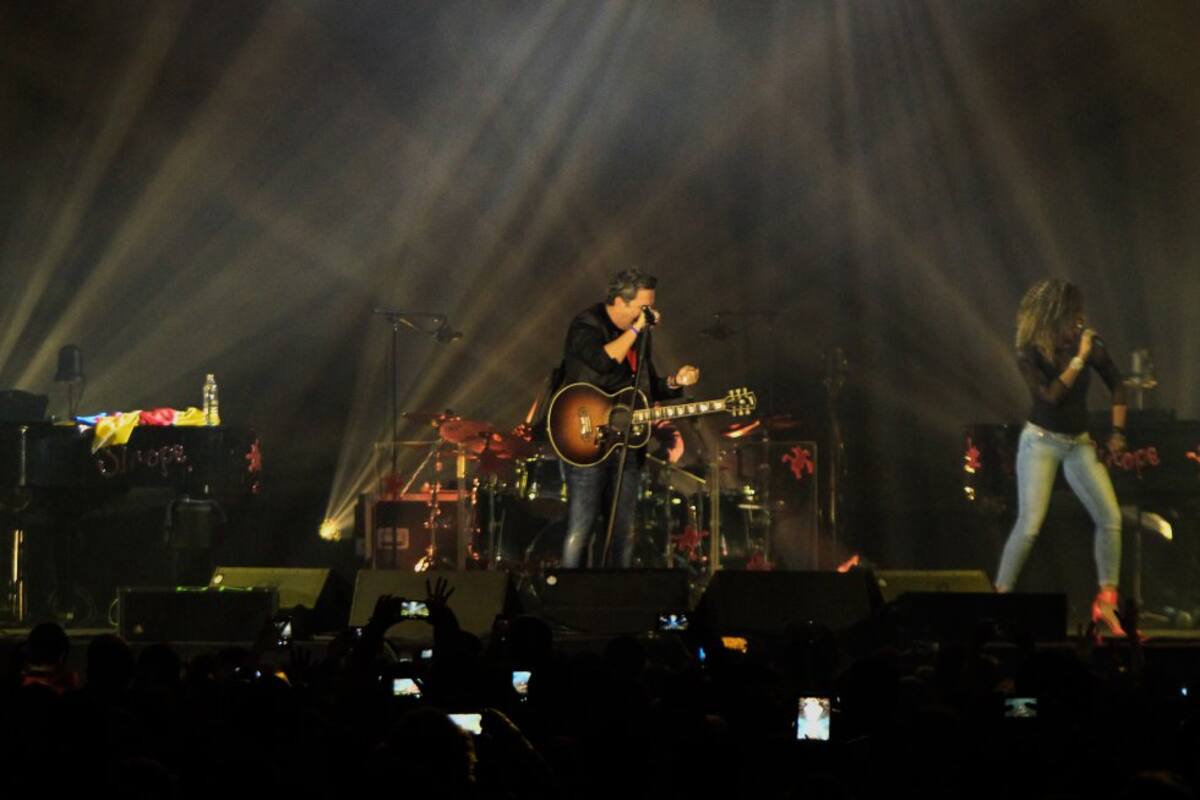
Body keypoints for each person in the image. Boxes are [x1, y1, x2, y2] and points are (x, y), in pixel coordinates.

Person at [994, 279, 1128, 634]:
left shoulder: (1089, 344)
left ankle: (1106, 603)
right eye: (1073, 319)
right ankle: (999, 597)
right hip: (1040, 442)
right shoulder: (1029, 354)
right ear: (1054, 319)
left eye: (1080, 318)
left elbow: (1117, 383)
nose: (1079, 324)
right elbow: (1050, 397)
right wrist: (1079, 359)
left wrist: (1118, 432)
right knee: (1029, 525)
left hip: (1078, 444)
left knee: (1110, 518)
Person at [557, 268, 700, 568]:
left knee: (623, 531)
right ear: (621, 302)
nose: (652, 314)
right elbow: (603, 361)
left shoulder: (639, 336)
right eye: (644, 307)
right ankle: (570, 589)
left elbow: (643, 389)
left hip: (626, 445)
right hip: (585, 440)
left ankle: (615, 589)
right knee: (581, 530)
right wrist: (635, 329)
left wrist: (675, 382)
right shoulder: (587, 324)